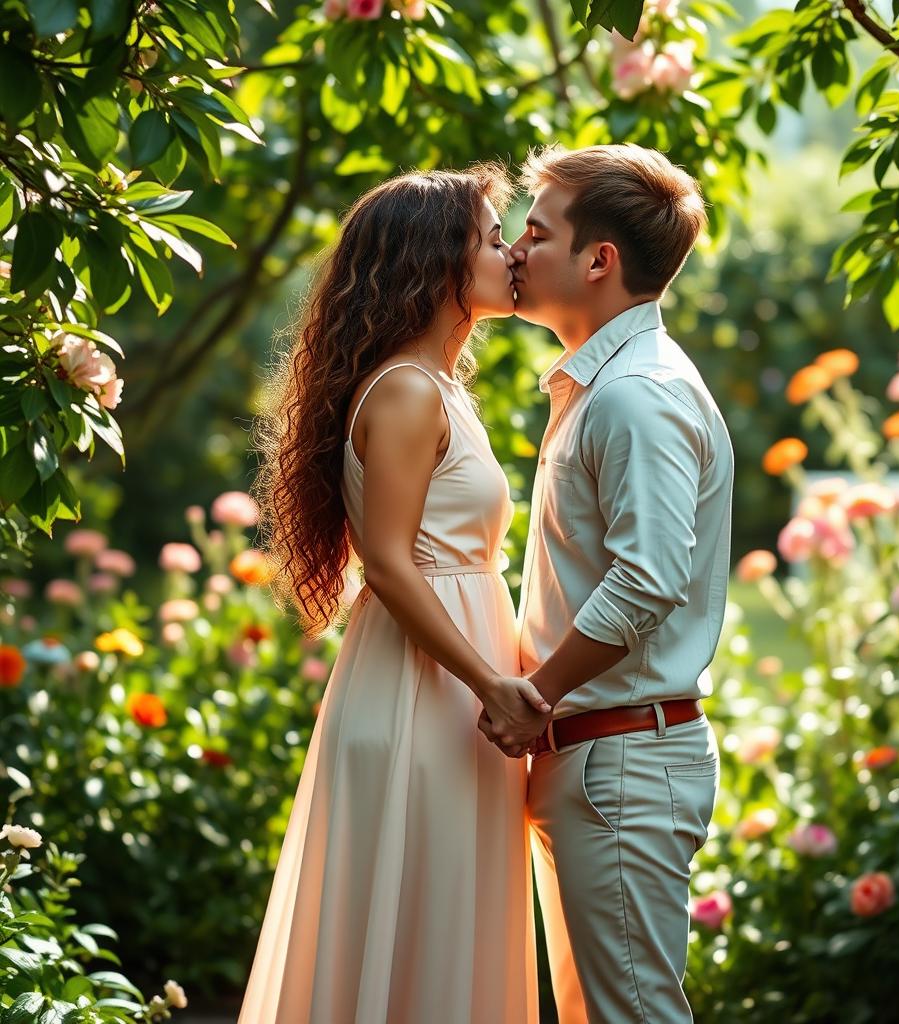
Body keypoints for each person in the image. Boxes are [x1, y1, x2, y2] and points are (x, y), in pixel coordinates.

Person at [242, 165, 544, 1024]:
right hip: (426, 697)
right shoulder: (409, 391)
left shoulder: (440, 388)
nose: (512, 254)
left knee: (441, 933)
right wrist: (491, 685)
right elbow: (389, 564)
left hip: (447, 689)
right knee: (418, 929)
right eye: (492, 238)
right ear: (435, 259)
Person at [482, 143, 735, 1024]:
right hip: (599, 758)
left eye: (536, 232)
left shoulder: (636, 394)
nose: (514, 248)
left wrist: (533, 696)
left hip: (621, 758)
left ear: (600, 260)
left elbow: (649, 579)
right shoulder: (605, 387)